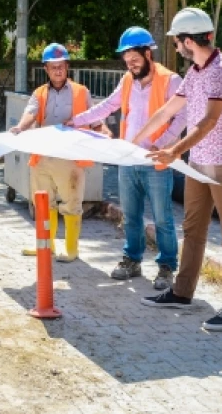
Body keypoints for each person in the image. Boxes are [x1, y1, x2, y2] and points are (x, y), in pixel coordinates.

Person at [132, 8, 222, 331]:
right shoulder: (195, 72)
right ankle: (182, 293)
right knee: (193, 230)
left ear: (188, 40)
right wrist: (134, 140)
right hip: (199, 162)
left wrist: (172, 151)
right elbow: (167, 111)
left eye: (176, 42)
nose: (175, 47)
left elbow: (209, 121)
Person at [67, 27, 187, 290]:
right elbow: (108, 106)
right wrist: (76, 121)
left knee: (163, 218)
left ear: (148, 53)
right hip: (128, 159)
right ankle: (132, 260)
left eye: (135, 59)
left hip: (156, 161)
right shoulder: (127, 81)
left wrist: (164, 142)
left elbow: (183, 115)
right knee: (131, 216)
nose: (130, 64)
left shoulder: (171, 80)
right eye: (126, 59)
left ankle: (167, 267)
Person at [9, 43, 97, 262]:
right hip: (44, 155)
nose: (57, 70)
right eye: (53, 67)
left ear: (67, 67)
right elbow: (31, 113)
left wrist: (104, 133)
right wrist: (20, 127)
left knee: (71, 202)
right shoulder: (39, 93)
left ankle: (71, 248)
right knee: (43, 201)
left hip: (70, 157)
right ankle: (45, 245)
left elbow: (94, 118)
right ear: (46, 69)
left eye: (61, 66)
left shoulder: (81, 92)